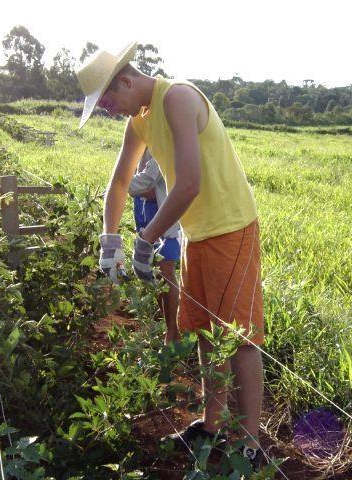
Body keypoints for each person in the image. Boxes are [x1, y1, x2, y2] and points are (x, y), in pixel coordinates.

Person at [76, 43, 266, 470]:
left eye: (108, 100)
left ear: (126, 81)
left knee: (239, 339)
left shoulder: (177, 97)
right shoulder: (139, 121)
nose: (109, 110)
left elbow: (189, 183)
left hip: (230, 228)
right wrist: (110, 240)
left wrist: (146, 239)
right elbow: (121, 181)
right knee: (203, 331)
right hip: (197, 233)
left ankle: (251, 443)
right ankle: (211, 424)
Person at [128, 147, 181, 344]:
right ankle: (169, 326)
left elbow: (146, 183)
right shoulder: (140, 145)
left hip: (165, 217)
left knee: (166, 270)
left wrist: (118, 184)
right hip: (145, 212)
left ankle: (173, 331)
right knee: (157, 273)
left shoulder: (160, 143)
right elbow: (141, 187)